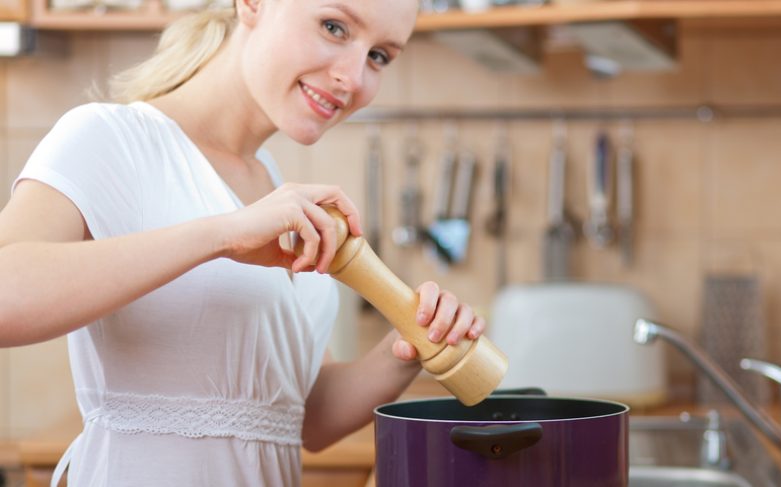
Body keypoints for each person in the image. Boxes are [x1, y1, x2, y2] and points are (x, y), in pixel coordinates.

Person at [0, 0, 487, 485]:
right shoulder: (111, 138)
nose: (354, 78)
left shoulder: (269, 182)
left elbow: (301, 417)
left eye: (379, 55)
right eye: (334, 27)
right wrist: (222, 234)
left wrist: (407, 346)